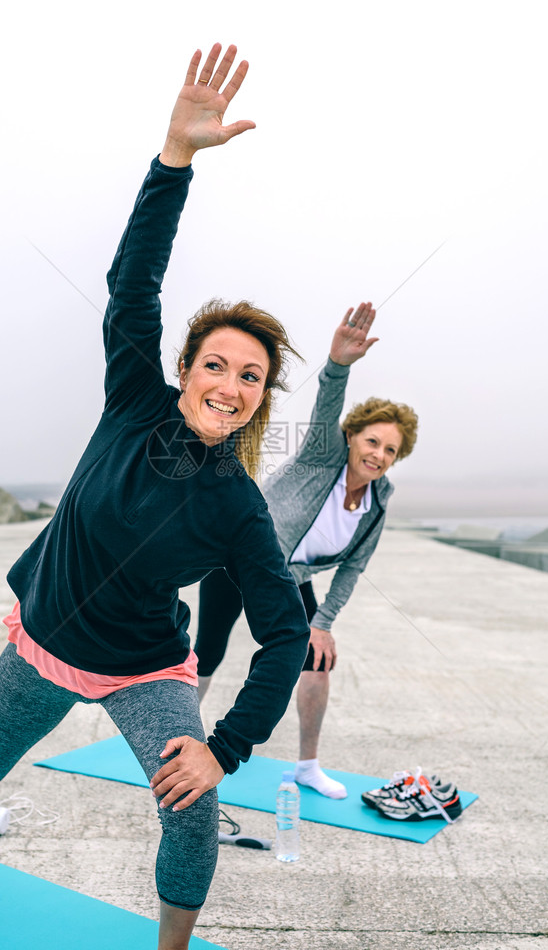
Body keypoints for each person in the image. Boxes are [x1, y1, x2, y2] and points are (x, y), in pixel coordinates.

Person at [0, 43, 311, 950]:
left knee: (193, 811)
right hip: (45, 639)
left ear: (259, 398)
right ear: (183, 371)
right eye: (216, 363)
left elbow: (283, 634)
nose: (230, 383)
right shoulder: (133, 399)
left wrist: (226, 745)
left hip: (144, 671)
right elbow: (134, 284)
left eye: (250, 376)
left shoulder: (239, 507)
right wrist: (175, 160)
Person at [194, 305, 419, 799]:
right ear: (352, 437)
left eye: (390, 450)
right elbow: (328, 401)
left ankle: (308, 766)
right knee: (205, 654)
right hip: (237, 560)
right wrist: (338, 364)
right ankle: (178, 747)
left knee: (316, 658)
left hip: (287, 577)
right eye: (372, 441)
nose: (378, 454)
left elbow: (354, 568)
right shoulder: (324, 455)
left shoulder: (381, 499)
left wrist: (325, 622)